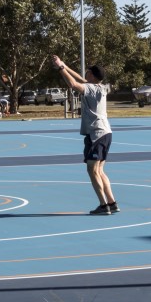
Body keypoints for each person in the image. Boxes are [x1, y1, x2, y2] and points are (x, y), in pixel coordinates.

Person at [52, 55, 119, 215]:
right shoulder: (101, 87)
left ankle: (103, 206)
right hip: (106, 132)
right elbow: (80, 79)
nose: (85, 75)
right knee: (100, 170)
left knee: (92, 169)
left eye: (88, 73)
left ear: (93, 76)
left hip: (96, 133)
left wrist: (61, 68)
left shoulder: (90, 88)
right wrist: (64, 65)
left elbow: (74, 83)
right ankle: (112, 202)